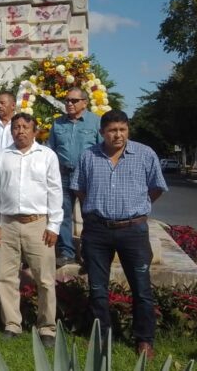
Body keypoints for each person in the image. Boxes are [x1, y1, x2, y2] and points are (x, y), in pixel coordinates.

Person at [71, 109, 168, 361]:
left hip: (133, 231)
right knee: (97, 288)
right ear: (102, 132)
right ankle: (102, 337)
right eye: (112, 130)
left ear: (128, 130)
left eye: (122, 130)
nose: (118, 135)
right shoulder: (88, 156)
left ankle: (144, 340)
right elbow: (80, 189)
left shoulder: (145, 154)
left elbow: (156, 187)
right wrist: (96, 210)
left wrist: (138, 207)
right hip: (97, 231)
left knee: (142, 289)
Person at [0, 113, 63, 348]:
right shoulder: (3, 156)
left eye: (25, 127)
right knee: (5, 277)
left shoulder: (47, 156)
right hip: (8, 223)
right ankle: (12, 324)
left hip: (38, 224)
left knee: (45, 279)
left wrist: (54, 225)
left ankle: (47, 327)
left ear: (35, 131)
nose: (20, 131)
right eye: (16, 127)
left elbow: (55, 191)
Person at [47, 87, 101, 267]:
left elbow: (102, 150)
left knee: (90, 215)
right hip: (63, 175)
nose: (69, 103)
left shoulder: (95, 122)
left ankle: (88, 253)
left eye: (74, 100)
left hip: (87, 175)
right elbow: (50, 151)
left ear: (84, 102)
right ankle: (66, 252)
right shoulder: (58, 124)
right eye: (67, 100)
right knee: (63, 214)